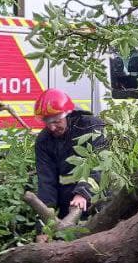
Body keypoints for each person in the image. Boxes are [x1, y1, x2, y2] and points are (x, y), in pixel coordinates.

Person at [33, 88, 107, 220]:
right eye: (47, 123)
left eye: (56, 121)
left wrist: (82, 193)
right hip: (66, 206)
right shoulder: (43, 141)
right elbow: (46, 184)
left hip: (98, 202)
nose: (52, 128)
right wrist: (43, 226)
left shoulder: (91, 126)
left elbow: (99, 165)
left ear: (67, 114)